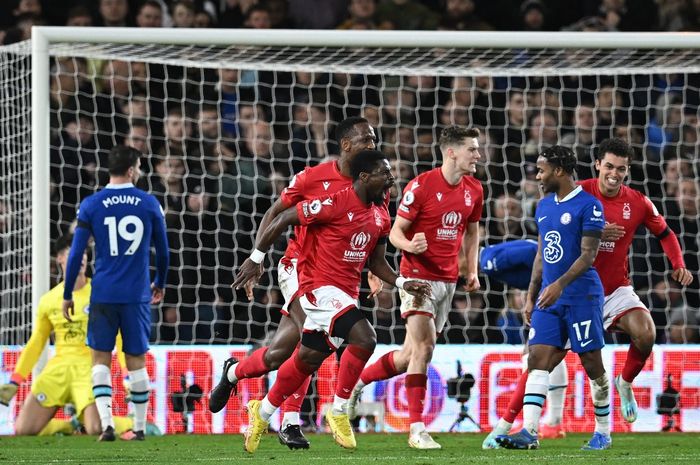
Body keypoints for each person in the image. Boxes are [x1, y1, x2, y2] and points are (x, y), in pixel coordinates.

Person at [483, 139, 694, 448]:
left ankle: (624, 384)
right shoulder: (573, 193)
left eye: (621, 169)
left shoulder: (637, 202)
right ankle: (508, 427)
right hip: (573, 292)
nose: (614, 174)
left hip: (612, 290)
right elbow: (549, 246)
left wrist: (678, 264)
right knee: (540, 359)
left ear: (627, 171)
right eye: (608, 166)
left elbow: (665, 232)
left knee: (645, 333)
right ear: (597, 165)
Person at [232, 149, 431, 454]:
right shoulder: (334, 202)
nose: (392, 178)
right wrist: (256, 257)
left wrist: (404, 283)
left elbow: (377, 263)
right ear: (364, 177)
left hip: (346, 291)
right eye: (385, 173)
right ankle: (339, 410)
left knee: (307, 359)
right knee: (366, 337)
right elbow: (285, 216)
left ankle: (262, 412)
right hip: (317, 287)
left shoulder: (381, 213)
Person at [208, 116, 381, 450]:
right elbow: (275, 213)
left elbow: (372, 233)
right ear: (346, 145)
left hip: (337, 278)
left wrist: (374, 269)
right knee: (314, 335)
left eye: (374, 140)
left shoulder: (372, 185)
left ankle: (233, 373)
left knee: (278, 355)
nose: (372, 146)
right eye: (366, 140)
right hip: (298, 268)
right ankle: (289, 421)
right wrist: (256, 259)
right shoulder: (312, 178)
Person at [346, 126, 483, 449]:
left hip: (448, 282)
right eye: (472, 150)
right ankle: (416, 429)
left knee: (409, 357)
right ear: (452, 152)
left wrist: (472, 269)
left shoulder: (474, 189)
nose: (477, 155)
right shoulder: (421, 186)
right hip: (417, 278)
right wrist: (412, 244)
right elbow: (395, 233)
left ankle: (358, 382)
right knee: (425, 349)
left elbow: (472, 231)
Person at [494, 145, 610, 450]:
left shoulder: (590, 206)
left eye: (541, 170)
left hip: (582, 296)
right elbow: (542, 256)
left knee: (591, 362)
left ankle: (603, 431)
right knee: (537, 359)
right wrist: (532, 295)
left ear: (559, 170)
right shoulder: (543, 206)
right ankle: (529, 432)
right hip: (549, 298)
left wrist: (559, 285)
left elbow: (588, 255)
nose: (537, 176)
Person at [62, 145, 169, 442]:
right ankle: (137, 428)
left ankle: (107, 425)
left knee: (100, 359)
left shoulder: (91, 204)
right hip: (136, 296)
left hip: (103, 294)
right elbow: (163, 251)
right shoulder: (149, 203)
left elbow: (76, 254)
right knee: (135, 360)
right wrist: (160, 281)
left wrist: (68, 292)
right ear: (132, 169)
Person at [0, 235, 138, 437]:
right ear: (60, 259)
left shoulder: (101, 293)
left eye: (83, 252)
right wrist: (15, 381)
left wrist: (127, 374)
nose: (81, 257)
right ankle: (69, 426)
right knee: (23, 430)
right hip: (59, 369)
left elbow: (118, 337)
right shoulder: (49, 300)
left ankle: (128, 423)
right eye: (73, 252)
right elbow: (37, 343)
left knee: (96, 429)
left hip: (88, 369)